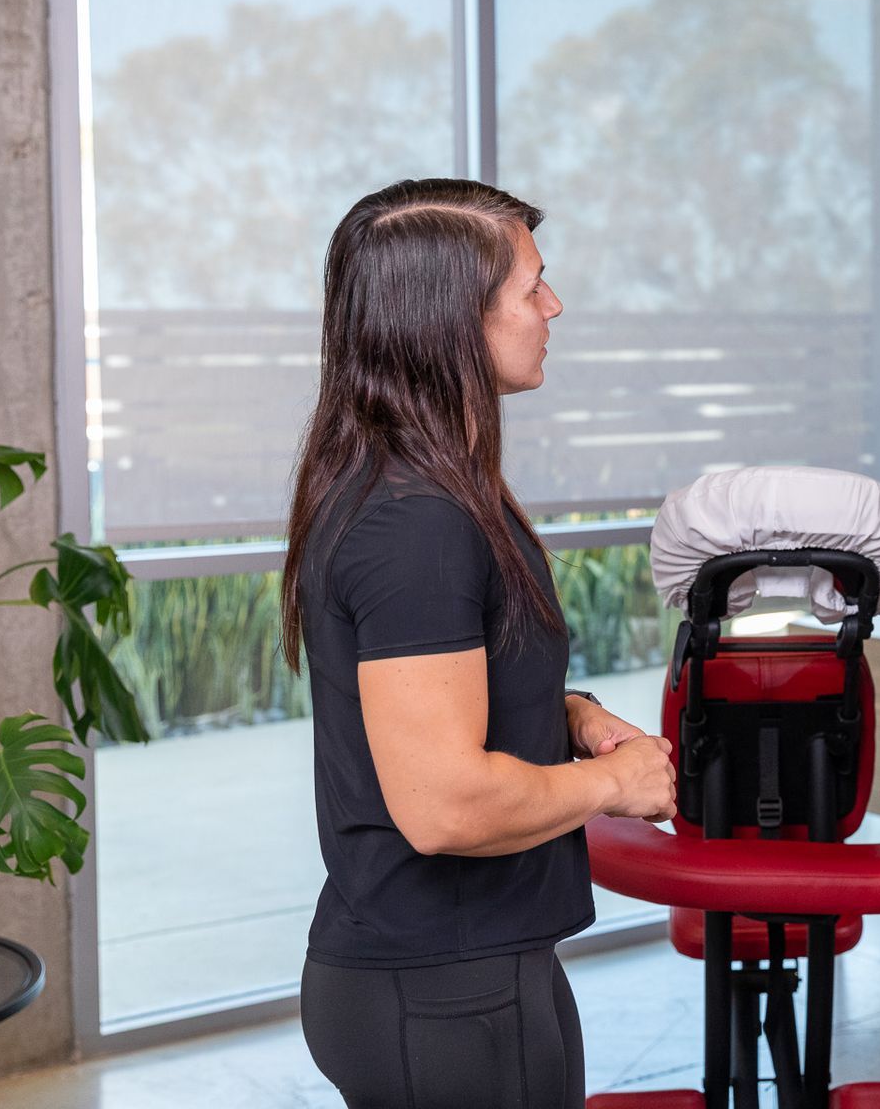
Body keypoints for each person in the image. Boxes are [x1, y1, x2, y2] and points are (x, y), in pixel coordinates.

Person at [280, 178, 677, 1109]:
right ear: (454, 319)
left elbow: (451, 682)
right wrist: (616, 785)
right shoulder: (414, 520)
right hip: (438, 990)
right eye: (533, 287)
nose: (554, 307)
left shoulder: (433, 484)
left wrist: (567, 715)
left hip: (472, 967)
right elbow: (446, 807)